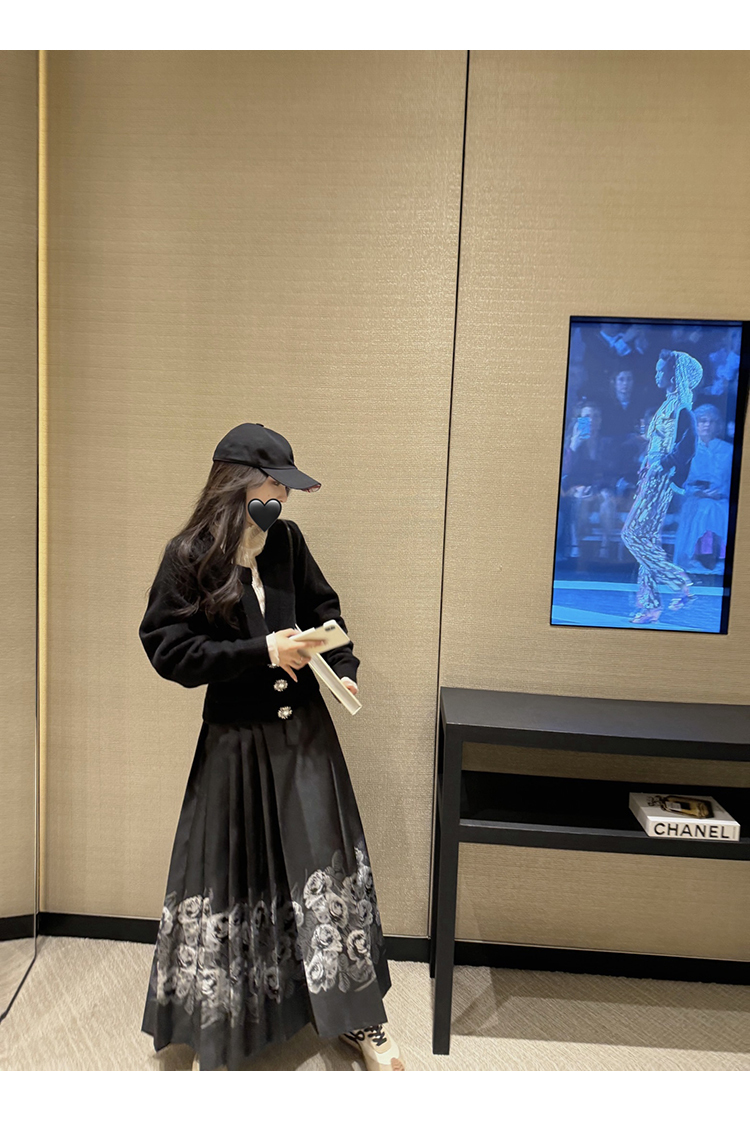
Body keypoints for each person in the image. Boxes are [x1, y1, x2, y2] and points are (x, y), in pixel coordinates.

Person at [139, 423, 404, 1072]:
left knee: (327, 871)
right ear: (239, 484)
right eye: (273, 485)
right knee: (231, 879)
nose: (280, 499)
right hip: (234, 741)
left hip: (305, 732)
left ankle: (358, 1014)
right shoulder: (189, 555)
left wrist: (342, 666)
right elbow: (168, 647)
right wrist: (262, 651)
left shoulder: (287, 542)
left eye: (283, 489)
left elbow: (325, 611)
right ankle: (218, 1029)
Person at [620, 350, 703, 624]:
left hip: (660, 479)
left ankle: (680, 583)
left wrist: (663, 464)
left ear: (674, 375)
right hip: (651, 475)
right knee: (647, 540)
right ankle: (650, 607)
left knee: (631, 535)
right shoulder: (669, 404)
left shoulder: (681, 408)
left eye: (661, 370)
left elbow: (689, 446)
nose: (657, 374)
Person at [673, 404, 733, 574]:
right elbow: (678, 481)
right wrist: (697, 492)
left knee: (720, 509)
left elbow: (732, 480)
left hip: (722, 498)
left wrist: (721, 493)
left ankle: (720, 556)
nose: (707, 425)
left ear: (718, 425)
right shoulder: (685, 450)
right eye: (702, 421)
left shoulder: (729, 450)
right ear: (695, 424)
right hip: (693, 498)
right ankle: (696, 556)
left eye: (712, 421)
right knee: (706, 507)